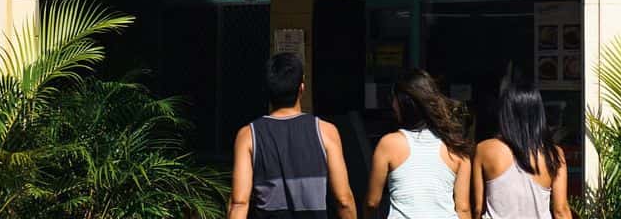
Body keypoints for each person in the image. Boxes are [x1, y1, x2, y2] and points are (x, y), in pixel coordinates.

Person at [228, 52, 357, 219]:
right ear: (301, 88)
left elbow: (239, 203)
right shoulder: (326, 131)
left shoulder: (248, 135)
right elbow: (344, 200)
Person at [365, 69, 472, 219]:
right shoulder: (456, 147)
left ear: (403, 103)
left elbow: (372, 202)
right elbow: (464, 209)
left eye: (394, 99)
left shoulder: (389, 144)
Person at [471, 82, 570, 219]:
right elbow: (561, 210)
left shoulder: (484, 149)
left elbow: (478, 208)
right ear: (539, 114)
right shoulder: (553, 153)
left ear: (505, 113)